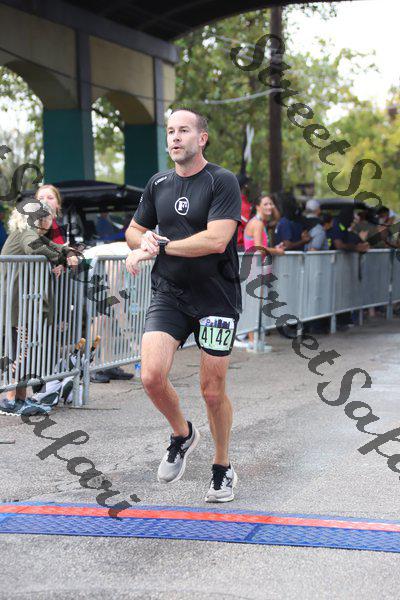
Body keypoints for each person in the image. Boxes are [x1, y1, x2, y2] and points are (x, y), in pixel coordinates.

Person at [125, 107, 242, 503]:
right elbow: (134, 229)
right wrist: (143, 241)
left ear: (201, 138)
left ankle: (222, 468)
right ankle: (183, 434)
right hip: (170, 294)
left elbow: (216, 240)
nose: (175, 137)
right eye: (171, 131)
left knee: (212, 391)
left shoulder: (222, 181)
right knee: (151, 376)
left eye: (184, 130)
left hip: (216, 299)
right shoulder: (158, 183)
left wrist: (161, 246)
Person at [0, 200, 79, 415]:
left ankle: (20, 398)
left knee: (23, 347)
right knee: (23, 348)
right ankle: (10, 398)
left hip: (19, 300)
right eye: (48, 217)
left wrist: (68, 252)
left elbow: (53, 246)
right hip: (16, 301)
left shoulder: (28, 232)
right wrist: (63, 256)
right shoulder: (26, 233)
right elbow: (34, 248)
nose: (50, 222)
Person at [236, 174, 252, 250]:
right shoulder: (241, 204)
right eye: (249, 183)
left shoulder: (236, 201)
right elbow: (249, 225)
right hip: (240, 246)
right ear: (245, 186)